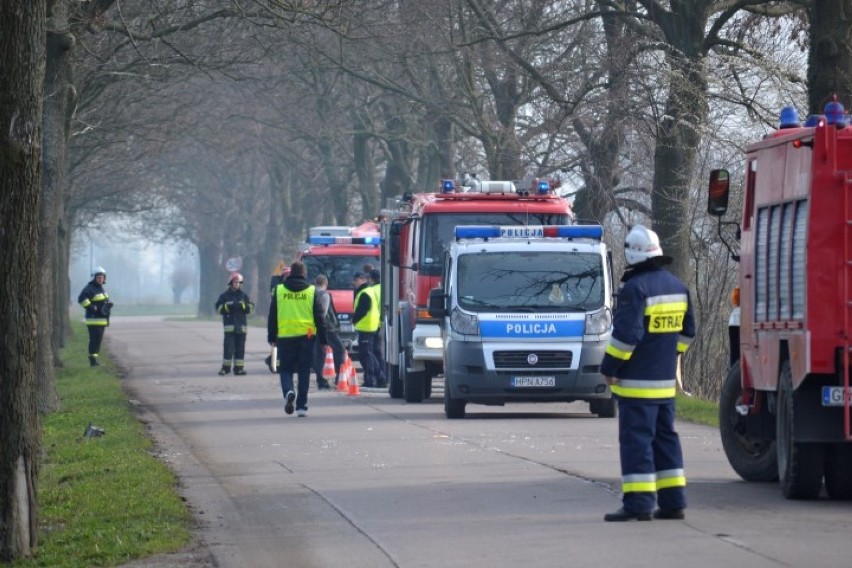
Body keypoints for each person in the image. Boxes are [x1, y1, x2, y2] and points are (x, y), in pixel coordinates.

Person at [601, 225, 695, 522]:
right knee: (666, 440)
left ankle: (639, 505)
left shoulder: (635, 289)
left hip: (636, 387)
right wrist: (669, 354)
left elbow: (626, 338)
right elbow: (688, 334)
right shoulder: (678, 287)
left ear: (632, 253)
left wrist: (609, 368)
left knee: (636, 442)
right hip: (665, 386)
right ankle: (673, 503)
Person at [267, 261, 327, 417]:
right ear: (304, 274)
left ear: (290, 273)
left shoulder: (279, 291)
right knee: (304, 372)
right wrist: (323, 340)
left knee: (285, 369)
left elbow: (272, 316)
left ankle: (288, 391)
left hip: (285, 337)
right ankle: (301, 406)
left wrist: (271, 337)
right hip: (306, 338)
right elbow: (320, 317)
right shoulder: (312, 291)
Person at [215, 272, 254, 376]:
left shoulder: (244, 296)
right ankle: (225, 369)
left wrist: (244, 306)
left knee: (240, 349)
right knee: (228, 349)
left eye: (239, 282)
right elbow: (218, 308)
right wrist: (227, 307)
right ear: (231, 282)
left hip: (241, 328)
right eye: (235, 282)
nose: (237, 284)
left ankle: (239, 369)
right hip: (229, 329)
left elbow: (251, 308)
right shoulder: (224, 296)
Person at [312, 274, 345, 389]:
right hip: (327, 328)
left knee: (319, 354)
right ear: (325, 284)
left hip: (314, 328)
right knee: (340, 350)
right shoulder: (324, 295)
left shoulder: (311, 293)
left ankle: (320, 380)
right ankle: (339, 378)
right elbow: (323, 313)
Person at [352, 271, 385, 388]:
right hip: (372, 326)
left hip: (366, 327)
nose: (354, 283)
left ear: (363, 279)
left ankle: (378, 378)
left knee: (366, 355)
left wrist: (354, 320)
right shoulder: (370, 291)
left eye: (356, 280)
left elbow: (362, 310)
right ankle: (376, 379)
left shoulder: (365, 292)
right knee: (371, 354)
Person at [78, 266, 114, 367]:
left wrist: (108, 305)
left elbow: (102, 302)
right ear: (94, 277)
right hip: (94, 320)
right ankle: (92, 362)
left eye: (102, 277)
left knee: (98, 341)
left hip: (101, 320)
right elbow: (81, 299)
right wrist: (92, 308)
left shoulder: (100, 288)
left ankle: (95, 360)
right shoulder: (90, 288)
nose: (100, 279)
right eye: (98, 277)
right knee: (94, 340)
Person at [265, 265, 291, 373]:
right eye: (286, 276)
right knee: (279, 345)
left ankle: (274, 362)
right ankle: (276, 364)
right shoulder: (279, 288)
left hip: (287, 320)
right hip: (280, 320)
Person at [367, 268, 386, 387]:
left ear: (371, 279)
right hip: (383, 324)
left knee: (371, 352)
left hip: (373, 325)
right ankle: (382, 376)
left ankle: (377, 377)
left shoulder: (371, 291)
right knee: (379, 354)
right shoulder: (384, 288)